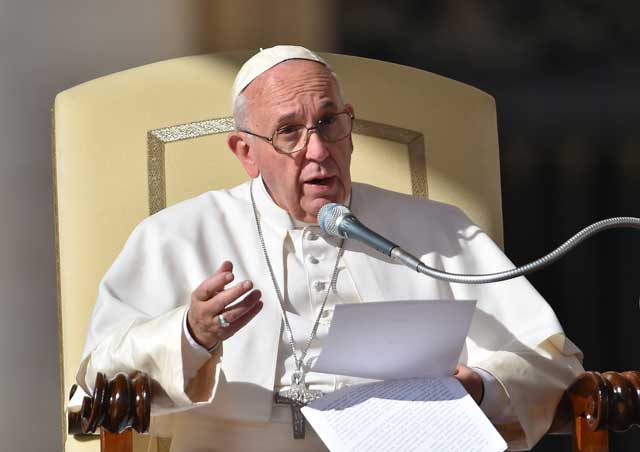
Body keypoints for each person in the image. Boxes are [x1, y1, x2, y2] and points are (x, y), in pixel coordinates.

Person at [76, 45, 583, 451]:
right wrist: (191, 336)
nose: (317, 150)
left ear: (351, 127)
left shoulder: (439, 231)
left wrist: (480, 389)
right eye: (289, 133)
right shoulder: (176, 236)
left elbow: (552, 364)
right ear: (246, 153)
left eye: (328, 123)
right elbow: (92, 390)